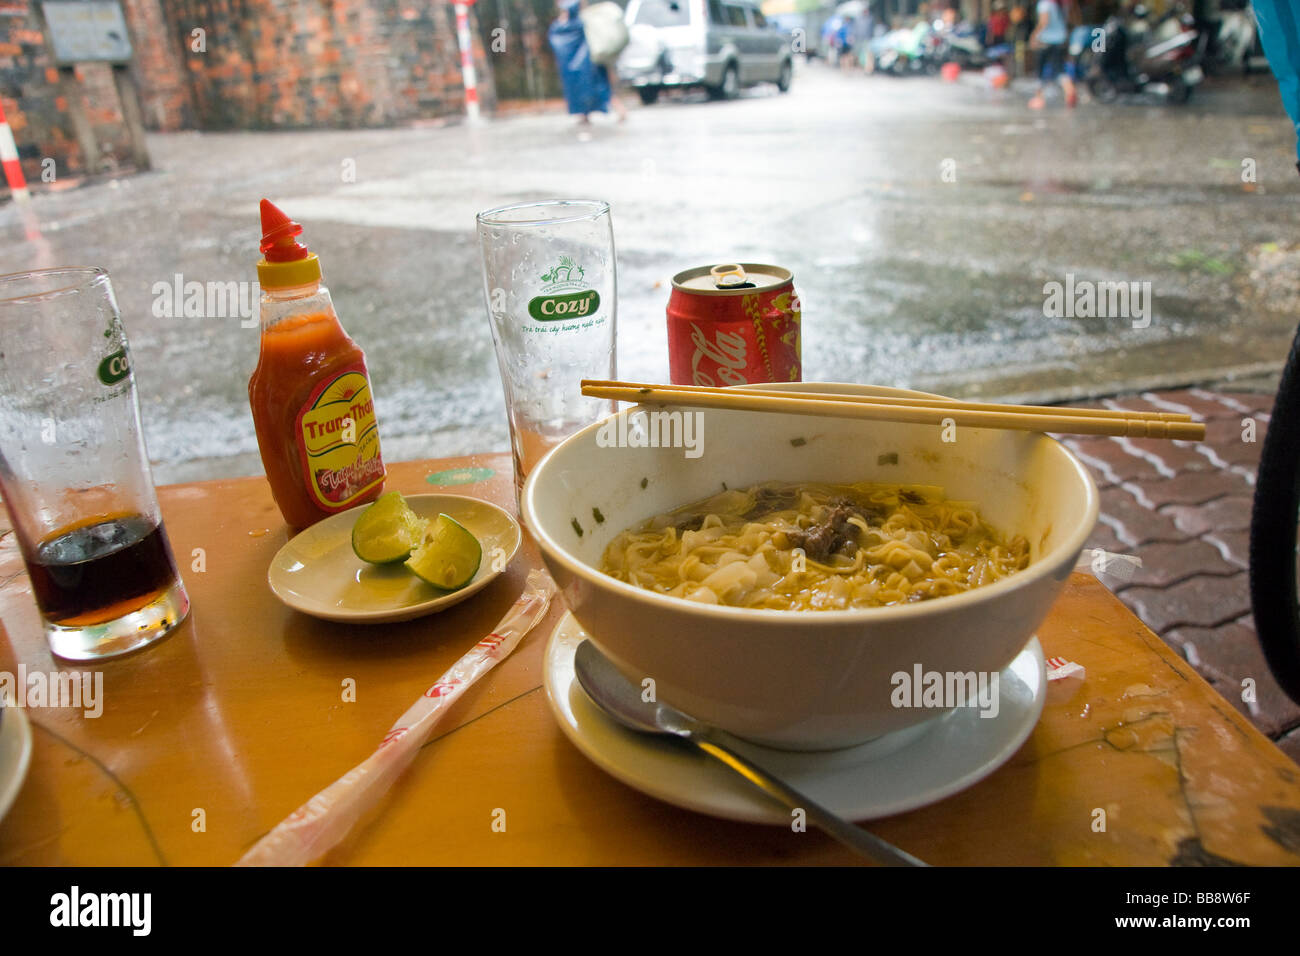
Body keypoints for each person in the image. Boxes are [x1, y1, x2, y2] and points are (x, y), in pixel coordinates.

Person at [548, 0, 625, 124]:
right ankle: (585, 115)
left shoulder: (572, 22)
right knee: (593, 85)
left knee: (599, 85)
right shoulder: (573, 22)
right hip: (584, 59)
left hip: (586, 59)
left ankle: (618, 110)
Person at [1028, 0, 1076, 108]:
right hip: (1060, 39)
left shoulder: (1044, 4)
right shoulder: (1057, 4)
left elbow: (1044, 21)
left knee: (1040, 70)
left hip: (1046, 40)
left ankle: (1038, 98)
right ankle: (1069, 90)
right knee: (1059, 69)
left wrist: (1034, 36)